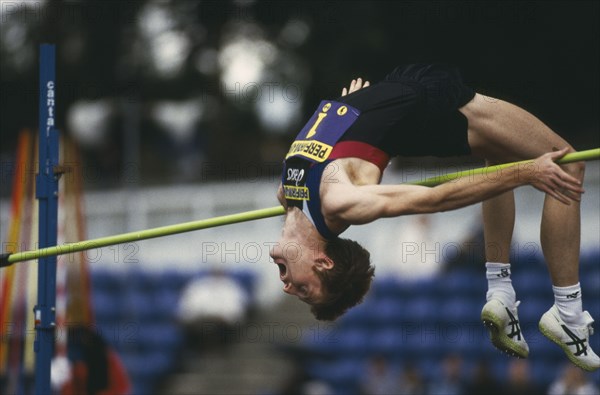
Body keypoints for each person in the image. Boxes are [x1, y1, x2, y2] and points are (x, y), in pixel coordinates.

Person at [270, 64, 599, 371]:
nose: (287, 287)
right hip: (430, 104)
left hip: (407, 99)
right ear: (323, 264)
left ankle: (501, 293)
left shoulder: (290, 197)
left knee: (498, 152)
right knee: (568, 163)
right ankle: (567, 311)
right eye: (303, 289)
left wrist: (350, 109)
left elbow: (327, 150)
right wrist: (526, 172)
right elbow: (435, 198)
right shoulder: (340, 203)